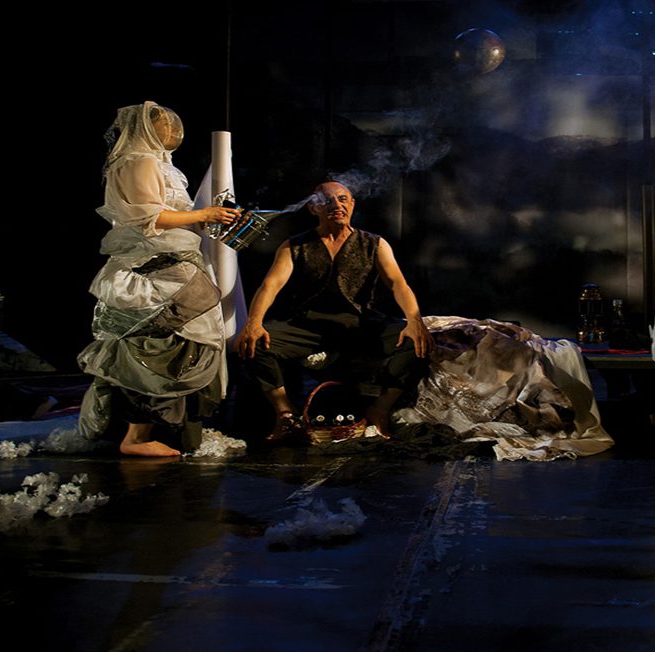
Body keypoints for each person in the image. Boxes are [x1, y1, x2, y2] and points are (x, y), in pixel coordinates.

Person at [77, 101, 242, 457]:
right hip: (152, 260)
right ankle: (136, 436)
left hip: (172, 256)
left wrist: (210, 218)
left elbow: (171, 214)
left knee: (177, 336)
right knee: (159, 340)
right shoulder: (139, 160)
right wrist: (205, 214)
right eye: (164, 124)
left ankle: (164, 429)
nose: (172, 130)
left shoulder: (157, 163)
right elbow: (149, 218)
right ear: (147, 128)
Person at [234, 181, 433, 438]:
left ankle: (379, 409)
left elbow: (398, 284)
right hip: (308, 326)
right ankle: (285, 414)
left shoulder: (374, 244)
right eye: (327, 201)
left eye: (342, 199)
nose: (336, 206)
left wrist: (414, 321)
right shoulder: (294, 245)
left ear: (352, 205)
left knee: (415, 341)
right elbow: (270, 286)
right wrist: (254, 322)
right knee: (255, 343)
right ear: (313, 208)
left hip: (361, 325)